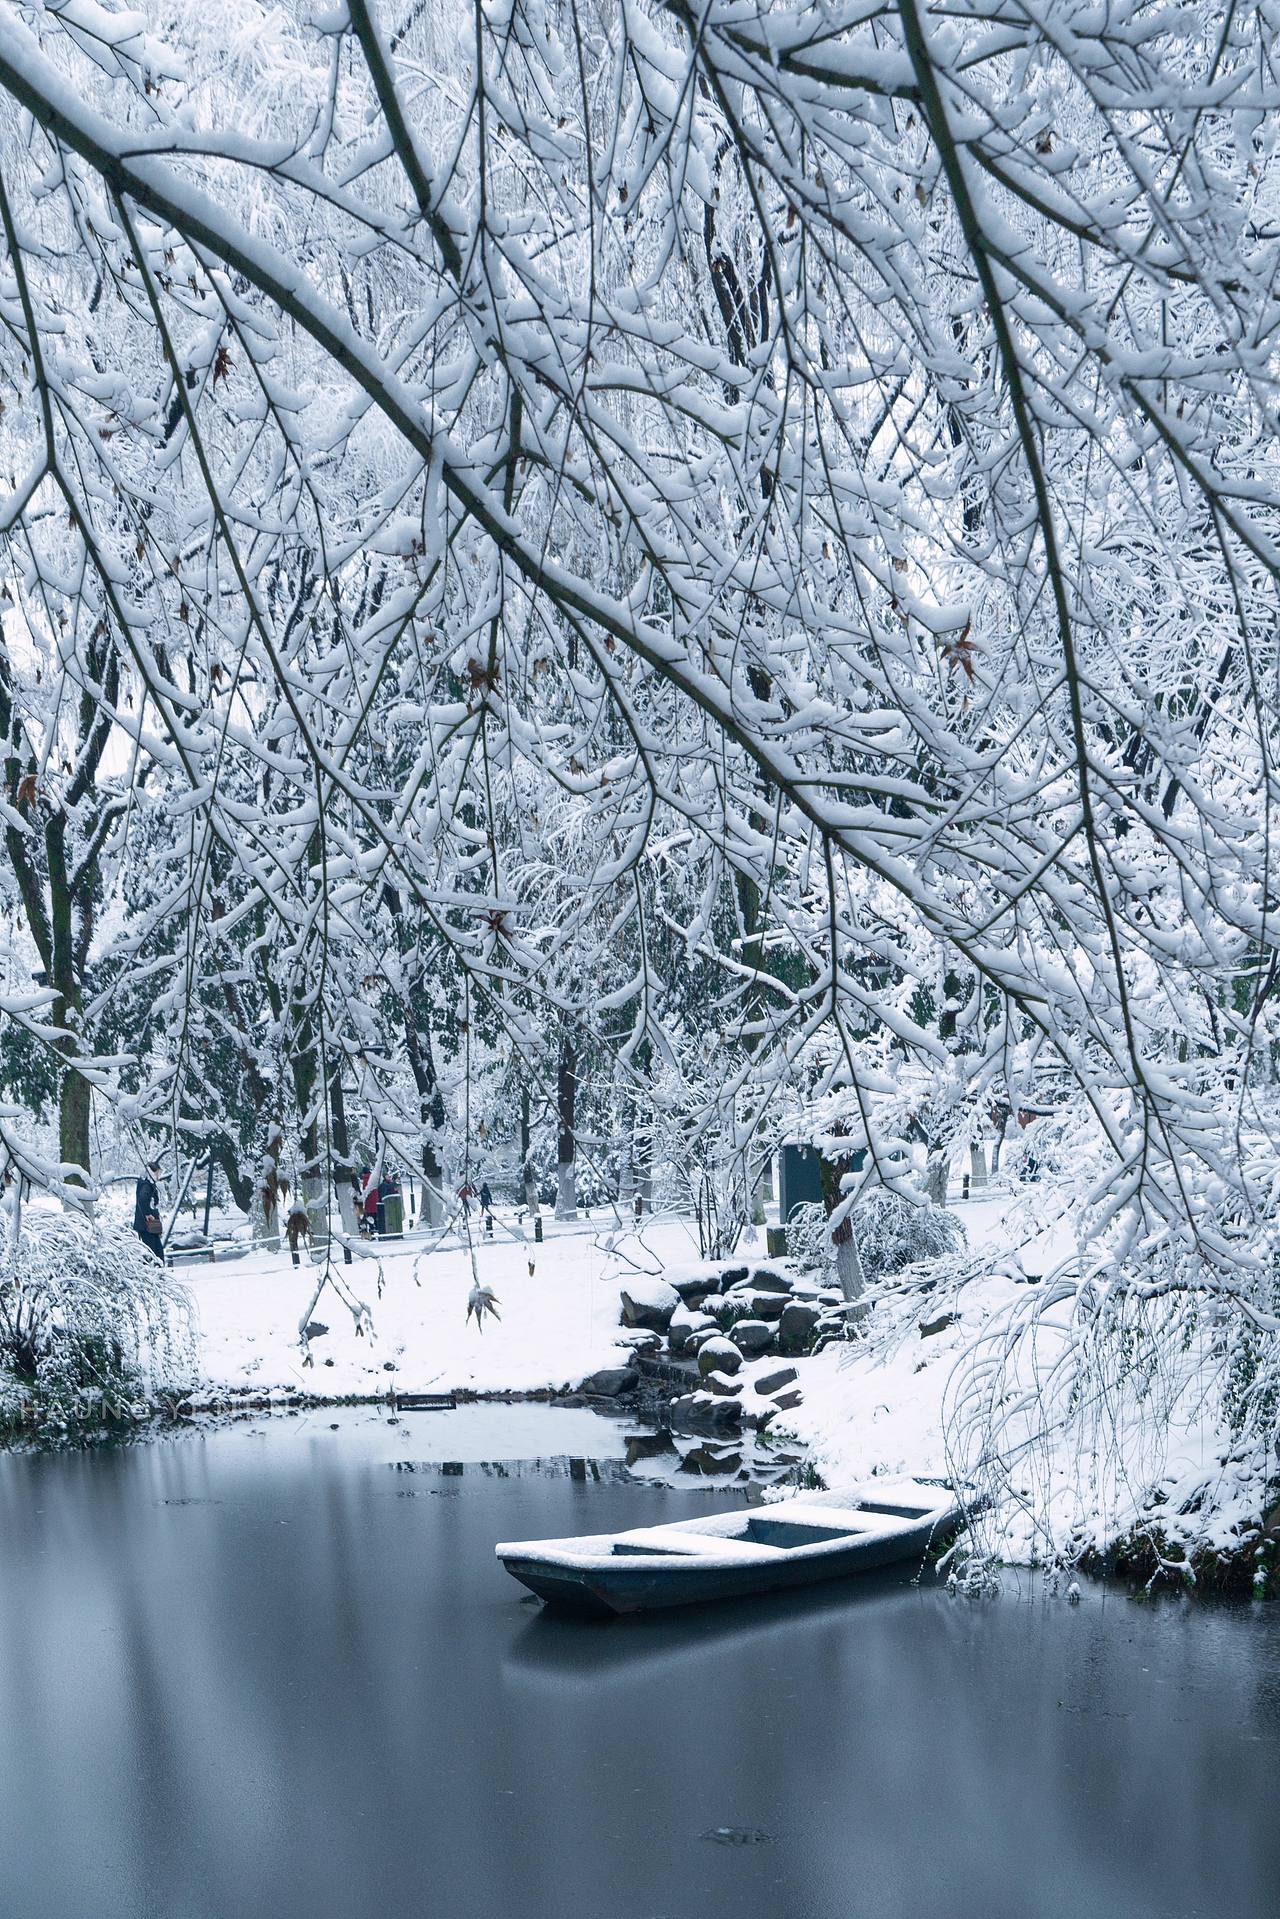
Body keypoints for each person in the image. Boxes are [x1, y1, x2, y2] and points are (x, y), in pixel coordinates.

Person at [134, 1161, 164, 1260]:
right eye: (157, 1173)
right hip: (147, 1225)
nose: (158, 1175)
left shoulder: (145, 1184)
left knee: (154, 1250)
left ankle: (157, 1268)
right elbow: (142, 1199)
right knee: (154, 1251)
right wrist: (147, 1214)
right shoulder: (147, 1185)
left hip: (146, 1225)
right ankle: (156, 1270)